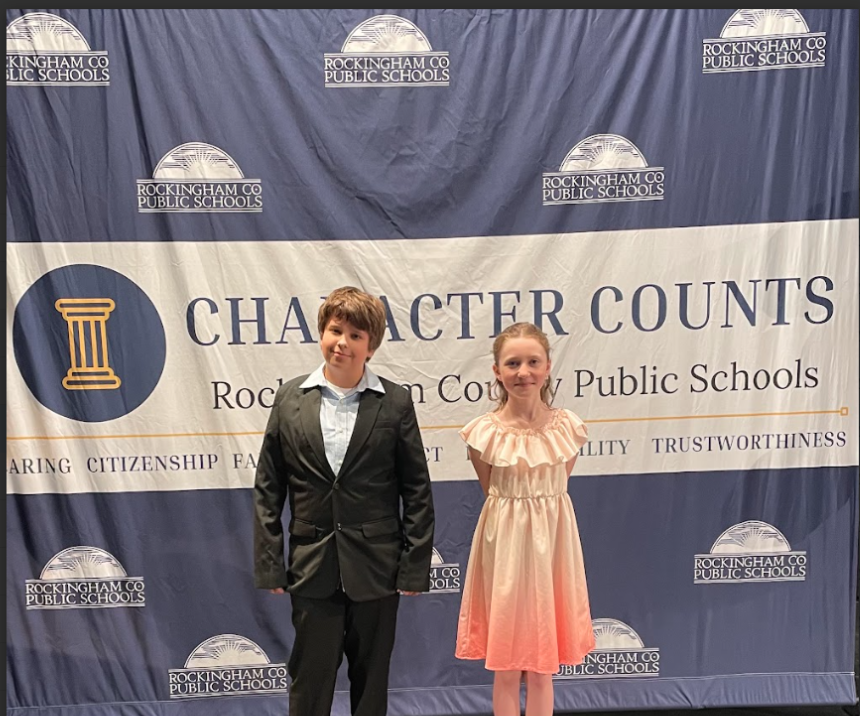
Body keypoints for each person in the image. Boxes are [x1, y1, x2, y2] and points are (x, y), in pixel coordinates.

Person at [253, 286, 435, 716]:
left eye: (356, 335)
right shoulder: (288, 398)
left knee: (371, 686)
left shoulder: (395, 402)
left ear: (370, 345)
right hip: (312, 568)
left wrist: (413, 567)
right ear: (322, 333)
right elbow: (268, 489)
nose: (343, 343)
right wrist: (270, 562)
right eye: (336, 330)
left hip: (377, 569)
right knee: (309, 683)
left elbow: (417, 490)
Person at [455, 322, 595, 716]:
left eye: (532, 362)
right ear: (497, 371)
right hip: (505, 548)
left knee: (541, 666)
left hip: (552, 546)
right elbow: (492, 490)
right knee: (506, 664)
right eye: (512, 363)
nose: (523, 372)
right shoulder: (484, 432)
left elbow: (555, 487)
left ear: (548, 366)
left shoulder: (567, 427)